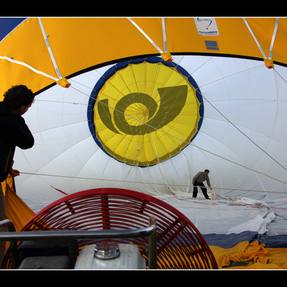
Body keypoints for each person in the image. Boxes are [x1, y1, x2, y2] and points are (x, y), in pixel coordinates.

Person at [0, 85, 35, 220]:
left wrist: (7, 167)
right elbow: (28, 142)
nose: (27, 109)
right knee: (2, 223)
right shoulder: (11, 121)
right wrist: (19, 119)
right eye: (27, 107)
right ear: (21, 107)